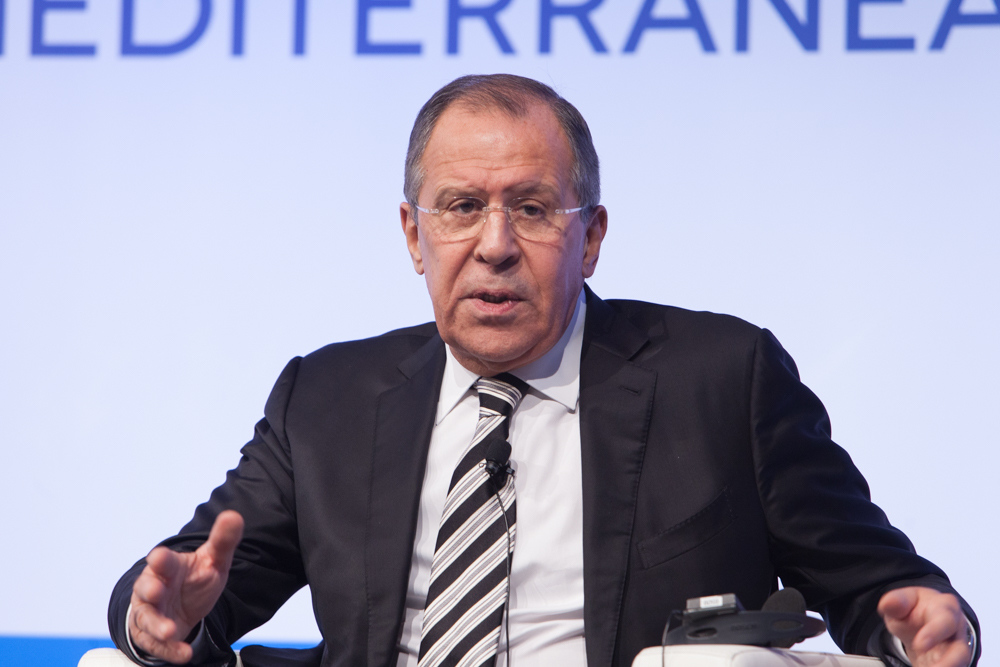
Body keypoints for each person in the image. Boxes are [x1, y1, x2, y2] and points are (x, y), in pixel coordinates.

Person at [109, 74, 980, 667]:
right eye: (460, 207)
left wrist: (927, 631)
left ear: (590, 238)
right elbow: (191, 585)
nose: (494, 245)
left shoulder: (723, 379)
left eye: (531, 208)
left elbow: (880, 586)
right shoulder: (327, 399)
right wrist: (156, 619)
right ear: (414, 235)